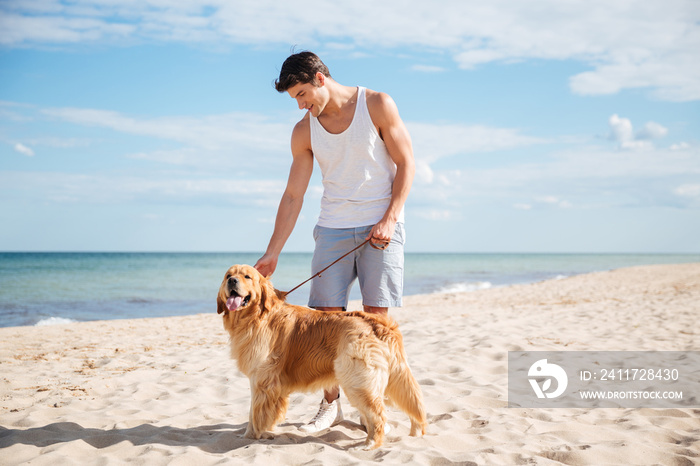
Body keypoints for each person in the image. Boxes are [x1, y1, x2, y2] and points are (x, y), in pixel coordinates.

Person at [254, 51, 415, 434]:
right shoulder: (303, 130)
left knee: (376, 322)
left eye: (302, 93)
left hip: (381, 226)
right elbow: (293, 195)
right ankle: (331, 407)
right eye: (294, 97)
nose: (300, 103)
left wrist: (390, 218)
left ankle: (370, 404)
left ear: (320, 78)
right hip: (333, 228)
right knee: (324, 322)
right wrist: (272, 252)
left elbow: (407, 162)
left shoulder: (376, 104)